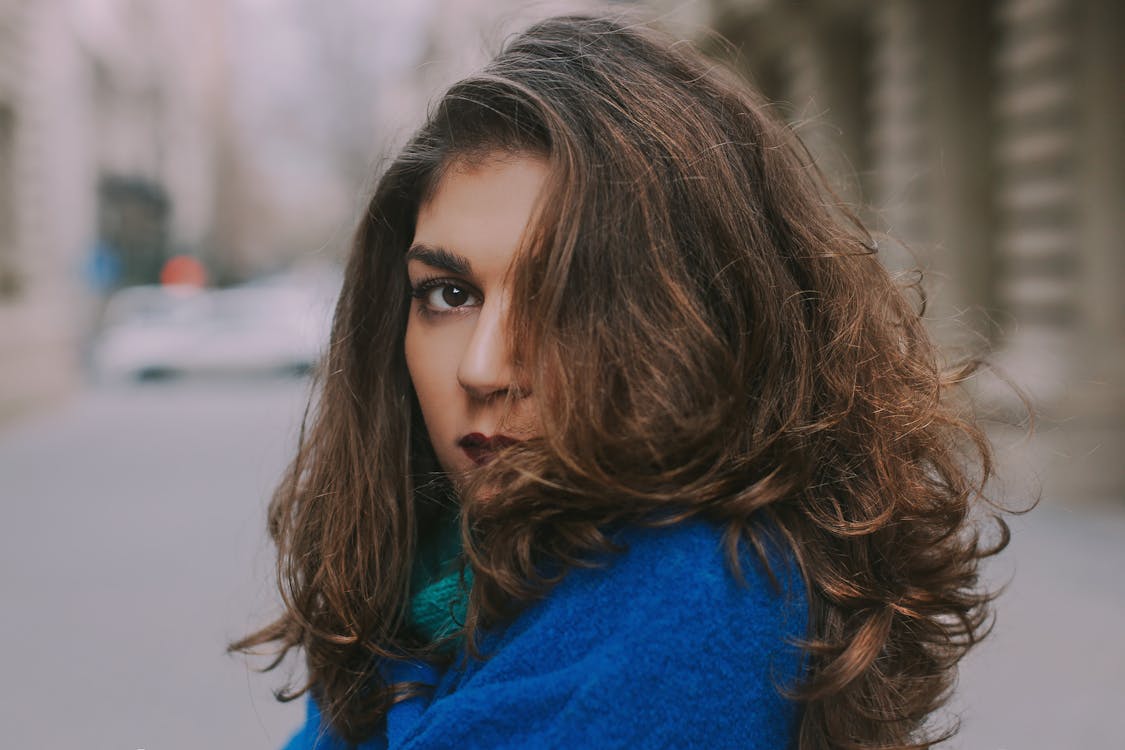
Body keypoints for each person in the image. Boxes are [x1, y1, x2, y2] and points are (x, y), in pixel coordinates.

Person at [232, 14, 1011, 750]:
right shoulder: (434, 571)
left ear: (706, 316)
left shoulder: (694, 594)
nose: (483, 368)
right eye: (449, 294)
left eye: (565, 298)